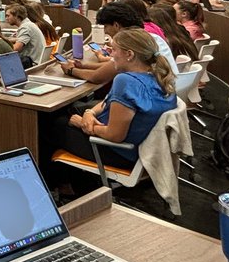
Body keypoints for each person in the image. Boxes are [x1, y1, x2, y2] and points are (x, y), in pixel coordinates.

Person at [40, 29, 176, 192]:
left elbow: (115, 135)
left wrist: (82, 123)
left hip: (116, 151)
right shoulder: (159, 76)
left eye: (114, 50)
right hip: (138, 149)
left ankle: (65, 187)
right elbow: (107, 102)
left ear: (130, 54)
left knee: (46, 123)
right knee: (73, 109)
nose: (110, 55)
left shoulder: (125, 81)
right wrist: (90, 114)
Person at [58, 2, 179, 84]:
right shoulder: (145, 36)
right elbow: (111, 66)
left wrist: (71, 70)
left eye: (106, 26)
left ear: (116, 25)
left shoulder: (131, 42)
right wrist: (84, 66)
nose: (105, 31)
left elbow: (98, 77)